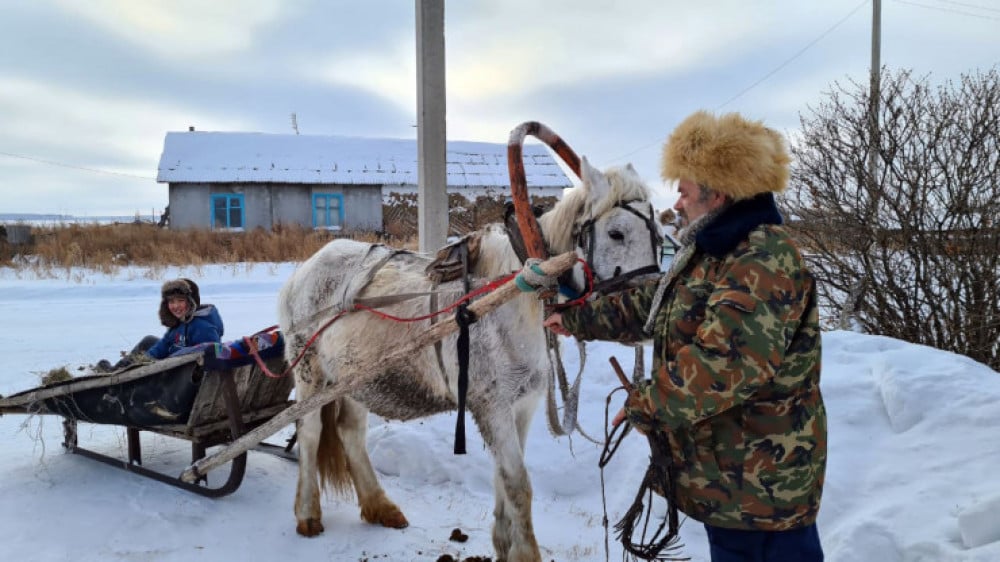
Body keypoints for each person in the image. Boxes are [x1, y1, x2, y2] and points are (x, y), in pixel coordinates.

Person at [544, 110, 826, 561]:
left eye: (685, 190)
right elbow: (659, 303)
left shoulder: (762, 259)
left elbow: (723, 367)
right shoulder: (716, 251)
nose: (677, 202)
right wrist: (577, 318)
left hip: (761, 483)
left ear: (718, 194)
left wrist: (644, 403)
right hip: (735, 475)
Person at [95, 278, 224, 371]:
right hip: (173, 362)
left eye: (181, 301)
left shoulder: (202, 327)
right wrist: (141, 361)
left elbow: (216, 353)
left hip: (184, 376)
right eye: (171, 301)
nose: (176, 306)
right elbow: (161, 347)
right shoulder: (179, 325)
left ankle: (121, 372)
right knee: (149, 341)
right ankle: (119, 371)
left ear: (192, 303)